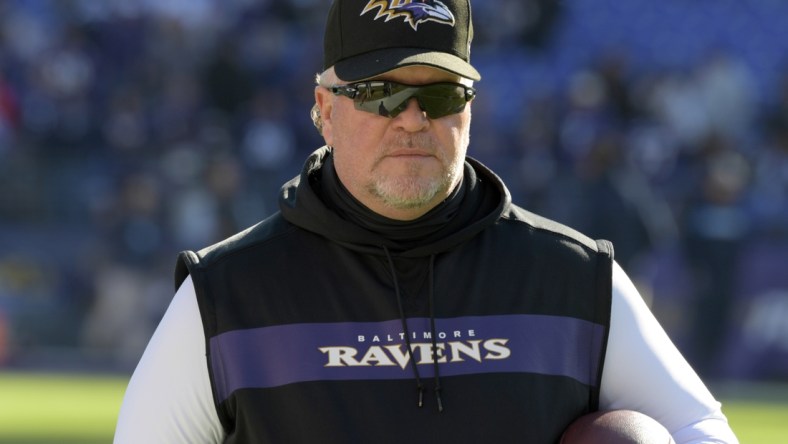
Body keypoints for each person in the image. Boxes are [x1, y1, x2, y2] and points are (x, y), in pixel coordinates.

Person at [114, 1, 739, 443]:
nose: (412, 119)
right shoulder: (225, 294)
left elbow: (700, 430)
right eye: (381, 92)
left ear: (470, 110)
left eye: (439, 95)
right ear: (325, 111)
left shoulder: (576, 279)